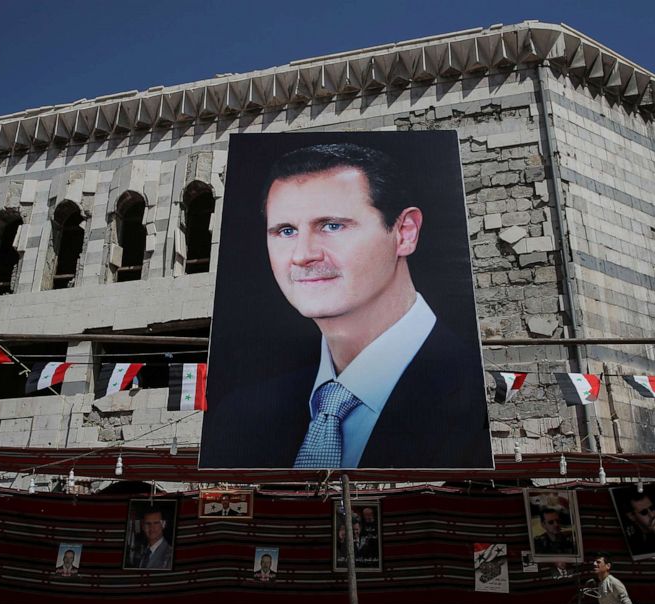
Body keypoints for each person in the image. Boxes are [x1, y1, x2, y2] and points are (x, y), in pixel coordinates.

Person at [201, 141, 489, 469]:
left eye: (332, 226)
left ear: (405, 233)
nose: (302, 255)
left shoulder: (483, 399)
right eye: (285, 230)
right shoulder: (240, 416)